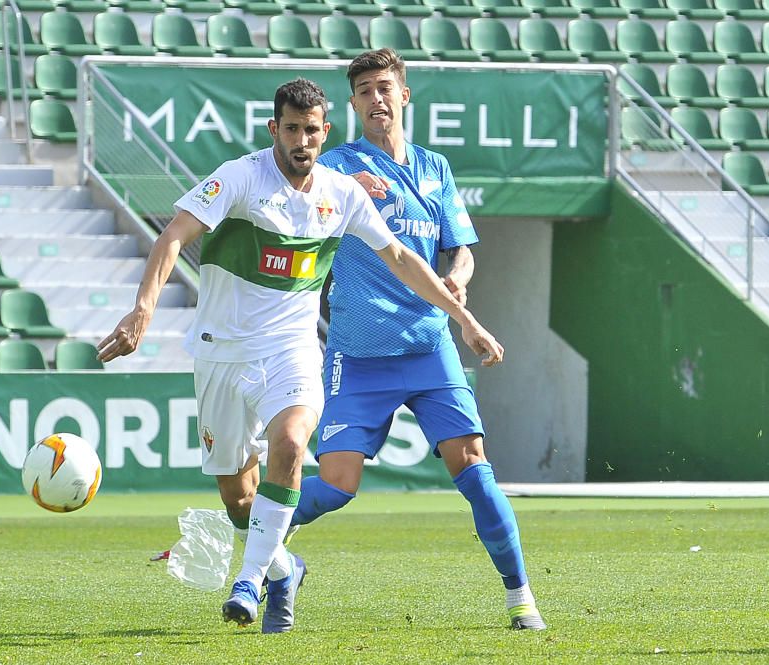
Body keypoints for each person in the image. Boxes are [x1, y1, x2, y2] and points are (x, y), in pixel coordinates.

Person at [96, 77, 504, 634]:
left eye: (312, 130)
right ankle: (284, 569)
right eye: (291, 129)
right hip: (221, 354)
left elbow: (404, 259)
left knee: (290, 442)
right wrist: (143, 309)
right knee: (240, 500)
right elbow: (173, 236)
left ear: (325, 132)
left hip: (292, 350)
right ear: (274, 130)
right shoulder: (240, 177)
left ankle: (248, 582)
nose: (302, 141)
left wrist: (467, 321)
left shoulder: (342, 193)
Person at [289, 49, 547, 631]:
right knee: (336, 485)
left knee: (473, 464)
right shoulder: (333, 166)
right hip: (358, 353)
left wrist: (458, 275)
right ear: (352, 105)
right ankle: (260, 533)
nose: (376, 98)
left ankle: (520, 596)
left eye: (385, 87)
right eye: (364, 91)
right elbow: (296, 203)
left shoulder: (436, 168)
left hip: (430, 344)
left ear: (404, 95)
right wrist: (331, 186)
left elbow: (462, 246)